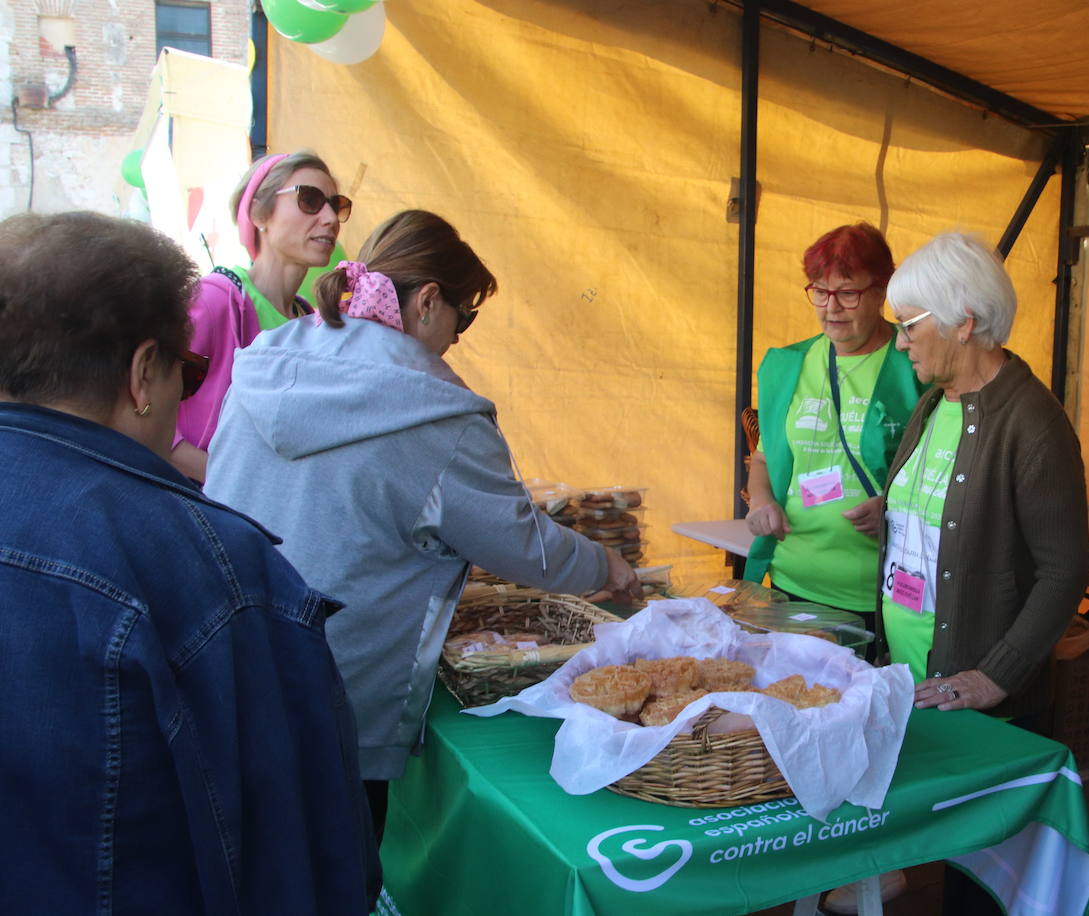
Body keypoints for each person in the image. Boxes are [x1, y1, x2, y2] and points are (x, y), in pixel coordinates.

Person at [204, 209, 641, 841]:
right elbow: (523, 545)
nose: (459, 338)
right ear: (429, 301)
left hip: (232, 664)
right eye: (465, 318)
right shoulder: (436, 409)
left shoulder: (269, 357)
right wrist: (609, 566)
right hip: (337, 690)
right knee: (332, 872)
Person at [0, 211, 379, 912]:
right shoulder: (220, 572)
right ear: (145, 373)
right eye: (192, 371)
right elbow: (309, 863)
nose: (188, 395)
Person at [882, 232, 1089, 716]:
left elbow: (1064, 569)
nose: (899, 343)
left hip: (973, 709)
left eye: (909, 326)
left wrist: (998, 675)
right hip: (911, 684)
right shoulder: (934, 401)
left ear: (963, 323)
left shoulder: (1033, 423)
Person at [744, 223, 922, 623]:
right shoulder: (786, 366)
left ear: (882, 291)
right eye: (820, 291)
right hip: (792, 582)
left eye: (847, 293)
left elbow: (951, 473)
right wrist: (762, 501)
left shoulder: (915, 363)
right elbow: (764, 459)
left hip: (883, 592)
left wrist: (897, 512)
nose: (831, 307)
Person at [172, 150, 349, 482]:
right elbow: (143, 410)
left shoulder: (313, 322)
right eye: (309, 200)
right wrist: (231, 485)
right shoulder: (215, 300)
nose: (330, 218)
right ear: (258, 213)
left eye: (336, 205)